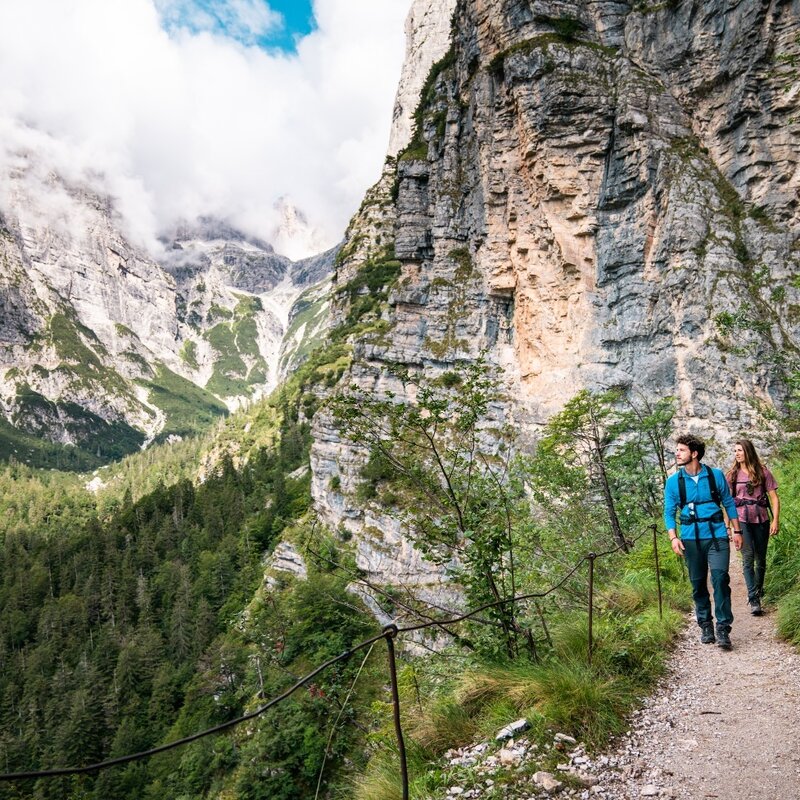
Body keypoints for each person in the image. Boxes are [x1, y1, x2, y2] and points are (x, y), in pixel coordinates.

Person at [663, 434, 742, 649]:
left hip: (717, 536)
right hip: (690, 539)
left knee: (720, 579)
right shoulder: (673, 482)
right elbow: (669, 512)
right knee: (698, 584)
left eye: (681, 450)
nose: (677, 453)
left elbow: (728, 503)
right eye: (677, 450)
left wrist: (737, 531)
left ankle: (723, 627)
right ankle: (705, 623)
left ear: (694, 453)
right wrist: (673, 538)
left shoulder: (715, 476)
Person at [726, 439, 780, 616]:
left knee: (761, 559)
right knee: (748, 557)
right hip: (742, 520)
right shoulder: (732, 475)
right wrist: (729, 527)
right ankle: (754, 598)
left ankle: (758, 589)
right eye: (735, 451)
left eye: (740, 450)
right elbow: (727, 503)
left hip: (761, 518)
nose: (737, 454)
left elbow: (774, 498)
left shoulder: (763, 472)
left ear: (748, 451)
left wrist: (775, 521)